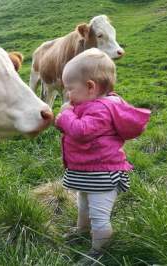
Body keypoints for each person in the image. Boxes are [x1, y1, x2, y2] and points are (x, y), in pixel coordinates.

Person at [54, 48, 151, 263]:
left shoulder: (101, 109)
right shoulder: (92, 104)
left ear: (90, 87)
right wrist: (68, 119)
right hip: (91, 171)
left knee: (99, 216)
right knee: (84, 204)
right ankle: (81, 230)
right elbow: (76, 128)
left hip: (102, 175)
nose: (68, 94)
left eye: (70, 88)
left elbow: (82, 131)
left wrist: (65, 116)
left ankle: (99, 251)